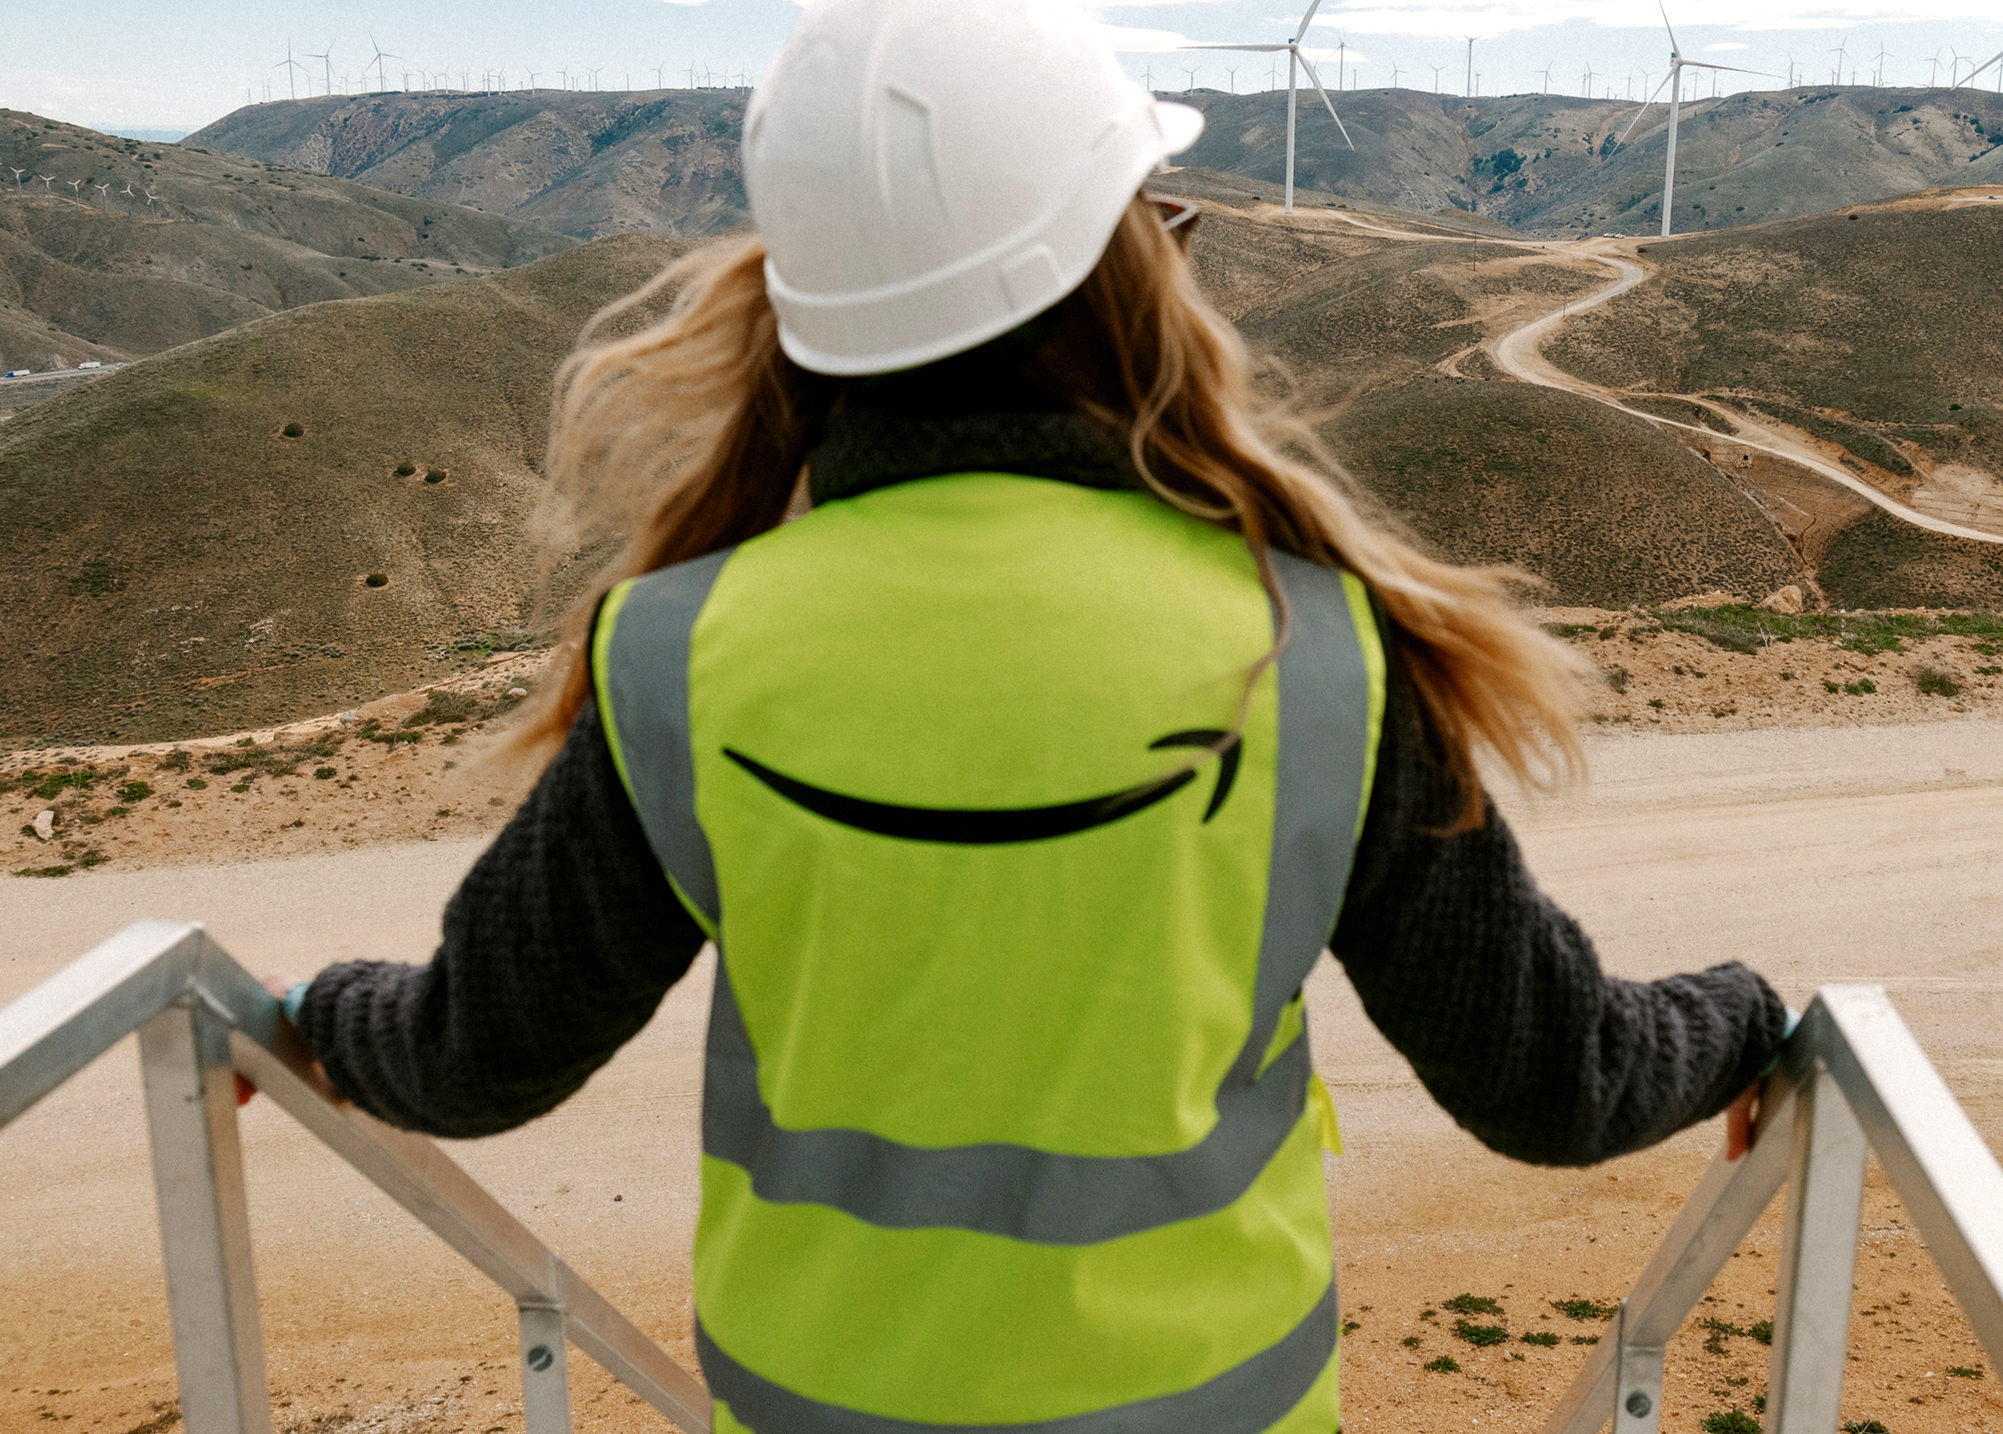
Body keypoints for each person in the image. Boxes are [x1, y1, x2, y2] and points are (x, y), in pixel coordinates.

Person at [261, 2, 1790, 1429]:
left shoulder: (676, 651)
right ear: (1123, 270)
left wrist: (326, 1018)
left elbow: (476, 1055)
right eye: (1162, 221)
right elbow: (1553, 1081)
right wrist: (1738, 1018)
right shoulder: (1314, 651)